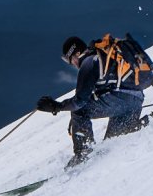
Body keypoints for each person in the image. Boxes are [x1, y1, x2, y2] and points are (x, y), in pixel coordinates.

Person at [37, 36, 145, 169]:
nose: (72, 64)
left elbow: (79, 103)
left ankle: (83, 155)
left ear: (76, 53)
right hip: (136, 99)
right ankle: (150, 120)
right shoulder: (101, 58)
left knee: (79, 111)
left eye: (70, 60)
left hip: (120, 100)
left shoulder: (88, 63)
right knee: (113, 143)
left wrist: (56, 106)